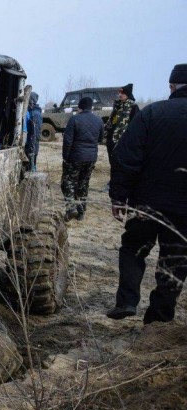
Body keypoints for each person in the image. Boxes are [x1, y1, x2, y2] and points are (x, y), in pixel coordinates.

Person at [106, 64, 187, 323]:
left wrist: (119, 197)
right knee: (175, 258)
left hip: (146, 203)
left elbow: (126, 158)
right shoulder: (149, 112)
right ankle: (160, 317)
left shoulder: (152, 113)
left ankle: (127, 302)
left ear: (172, 86)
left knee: (133, 249)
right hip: (185, 210)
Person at [61, 96, 103, 222]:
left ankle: (71, 208)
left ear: (80, 106)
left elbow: (67, 141)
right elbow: (100, 139)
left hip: (76, 156)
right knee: (83, 184)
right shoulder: (99, 120)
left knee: (67, 183)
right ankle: (81, 213)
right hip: (91, 157)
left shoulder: (74, 119)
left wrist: (66, 157)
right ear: (91, 107)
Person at [105, 83, 140, 168]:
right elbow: (112, 121)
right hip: (111, 140)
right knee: (113, 164)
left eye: (122, 93)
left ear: (127, 94)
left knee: (120, 165)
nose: (120, 95)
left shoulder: (133, 107)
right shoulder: (118, 106)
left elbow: (136, 126)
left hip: (123, 142)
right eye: (119, 93)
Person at [25, 92, 43, 171]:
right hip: (30, 145)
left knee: (31, 169)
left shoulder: (35, 114)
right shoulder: (30, 112)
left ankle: (33, 168)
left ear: (31, 101)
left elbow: (34, 134)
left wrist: (31, 151)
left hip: (32, 147)